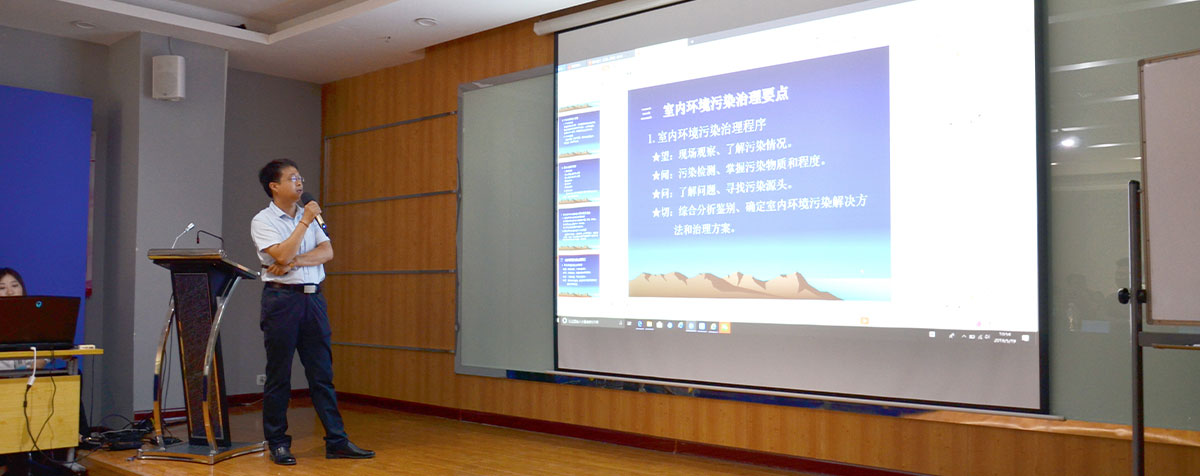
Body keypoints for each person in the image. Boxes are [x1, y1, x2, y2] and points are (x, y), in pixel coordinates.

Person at [251, 159, 373, 466]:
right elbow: (281, 253)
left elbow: (326, 252)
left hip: (314, 300)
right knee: (279, 375)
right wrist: (303, 223)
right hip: (282, 301)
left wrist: (294, 261)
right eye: (292, 178)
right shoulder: (263, 220)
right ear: (274, 186)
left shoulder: (311, 214)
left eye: (300, 177)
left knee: (322, 374)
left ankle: (337, 441)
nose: (300, 183)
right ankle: (278, 443)